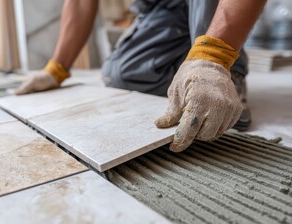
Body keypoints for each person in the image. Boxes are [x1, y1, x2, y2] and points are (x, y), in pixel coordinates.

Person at [15, 0, 266, 152]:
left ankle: (226, 74)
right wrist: (57, 68)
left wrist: (214, 58)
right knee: (121, 74)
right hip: (164, 6)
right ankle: (188, 67)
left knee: (210, 63)